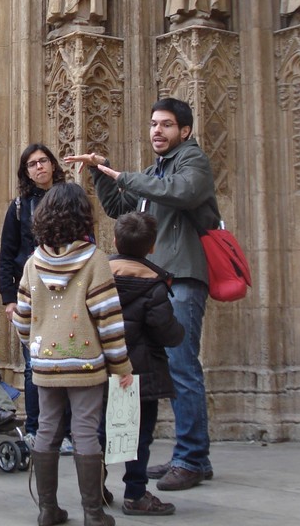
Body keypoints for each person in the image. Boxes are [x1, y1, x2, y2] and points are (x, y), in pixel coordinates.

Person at [67, 96, 221, 491]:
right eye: (154, 123)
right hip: (158, 280)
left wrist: (123, 176)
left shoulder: (193, 162)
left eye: (166, 124)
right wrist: (100, 173)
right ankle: (186, 455)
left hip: (183, 277)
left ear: (184, 131)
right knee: (162, 366)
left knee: (182, 365)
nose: (157, 130)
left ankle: (192, 458)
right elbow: (121, 207)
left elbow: (183, 193)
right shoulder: (157, 170)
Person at [13, 182, 132, 526]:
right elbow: (108, 319)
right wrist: (120, 364)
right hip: (86, 364)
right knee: (85, 431)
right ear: (82, 218)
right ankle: (93, 513)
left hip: (46, 363)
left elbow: (21, 317)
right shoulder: (95, 261)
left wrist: (35, 344)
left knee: (47, 428)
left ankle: (48, 510)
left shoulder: (33, 263)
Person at [110, 212, 183, 516]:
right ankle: (135, 493)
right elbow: (167, 332)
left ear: (115, 241)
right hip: (142, 373)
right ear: (152, 247)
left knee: (99, 432)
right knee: (139, 436)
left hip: (105, 369)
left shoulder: (99, 276)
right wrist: (180, 331)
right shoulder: (154, 285)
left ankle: (95, 488)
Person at [0, 143, 66, 446]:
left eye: (43, 161)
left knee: (66, 362)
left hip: (66, 292)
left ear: (52, 164)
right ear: (26, 172)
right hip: (30, 294)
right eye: (32, 164)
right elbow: (6, 255)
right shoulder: (18, 206)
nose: (39, 167)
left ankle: (64, 432)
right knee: (33, 364)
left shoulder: (68, 199)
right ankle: (36, 429)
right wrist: (8, 299)